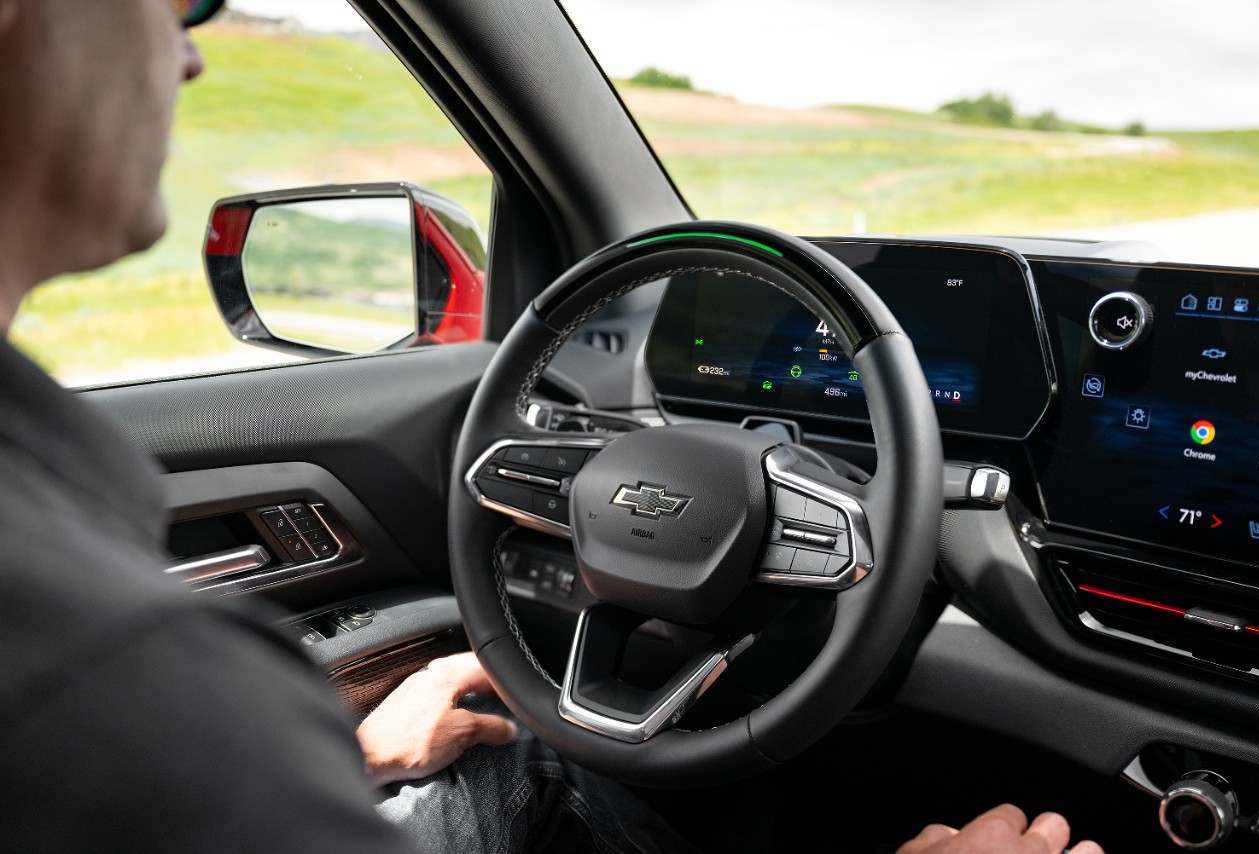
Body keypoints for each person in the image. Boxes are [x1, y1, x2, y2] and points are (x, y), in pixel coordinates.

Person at [0, 1, 1103, 852]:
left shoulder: (93, 653)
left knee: (529, 759)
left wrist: (338, 758)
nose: (192, 46)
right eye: (178, 1)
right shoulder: (116, 677)